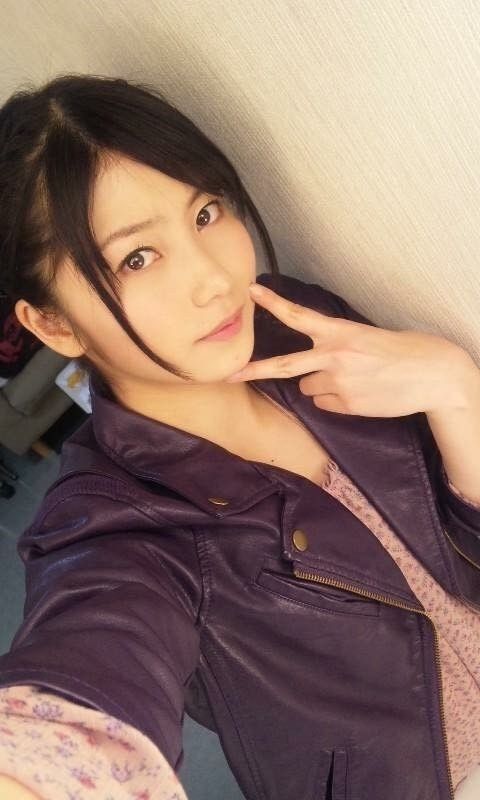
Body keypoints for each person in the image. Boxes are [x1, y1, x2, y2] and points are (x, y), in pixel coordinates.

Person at [0, 73, 478, 800]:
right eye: (136, 258)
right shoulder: (116, 527)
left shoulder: (301, 326)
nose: (214, 280)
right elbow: (88, 678)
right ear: (54, 324)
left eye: (205, 212)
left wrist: (454, 387)